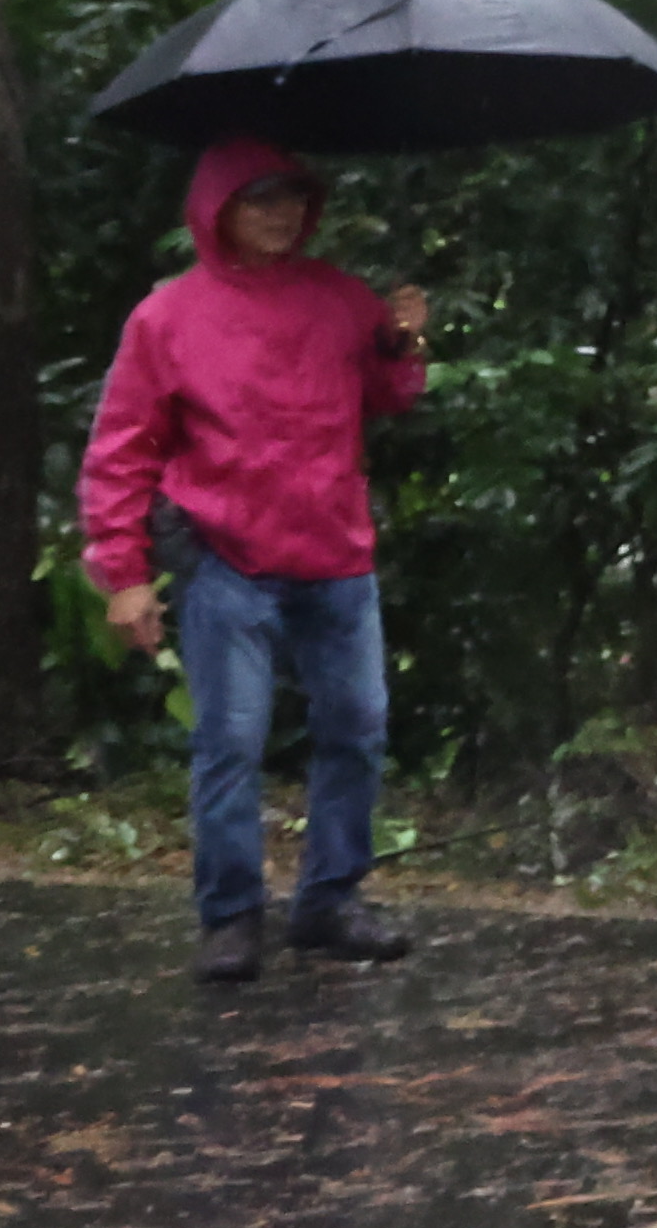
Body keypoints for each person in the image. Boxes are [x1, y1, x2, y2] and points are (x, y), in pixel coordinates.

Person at [79, 139, 431, 982]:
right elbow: (123, 450)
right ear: (217, 209)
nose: (280, 213)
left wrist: (401, 344)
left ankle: (329, 901)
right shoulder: (166, 318)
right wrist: (124, 576)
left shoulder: (342, 299)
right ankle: (232, 916)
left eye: (292, 197)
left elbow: (389, 399)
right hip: (226, 559)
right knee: (230, 741)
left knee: (357, 729)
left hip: (335, 555)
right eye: (259, 198)